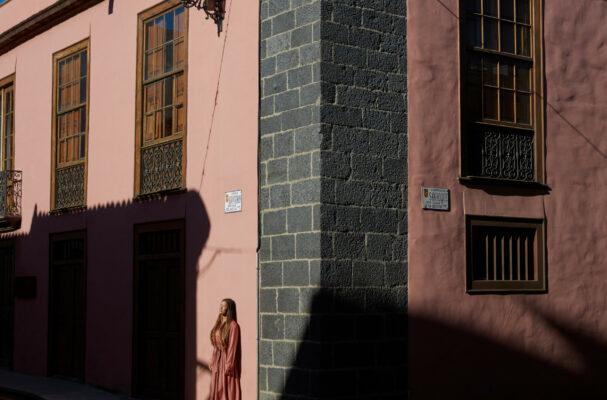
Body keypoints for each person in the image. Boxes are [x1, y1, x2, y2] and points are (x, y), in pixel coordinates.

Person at [210, 298, 241, 400]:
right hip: (217, 361)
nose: (221, 308)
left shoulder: (233, 326)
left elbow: (232, 347)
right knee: (217, 388)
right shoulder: (219, 324)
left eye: (223, 306)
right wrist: (212, 359)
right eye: (220, 305)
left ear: (229, 309)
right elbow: (216, 345)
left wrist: (229, 364)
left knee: (225, 389)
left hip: (226, 362)